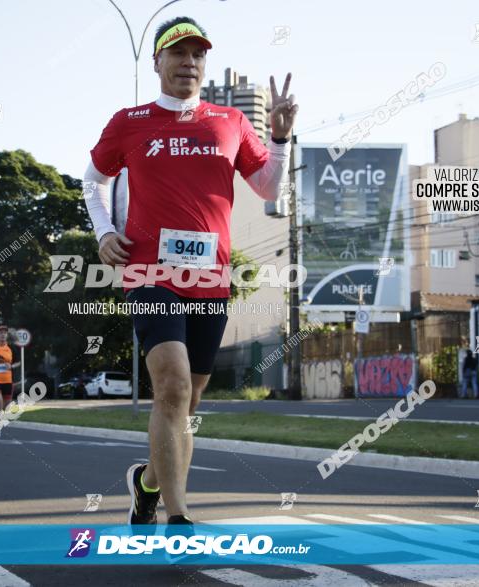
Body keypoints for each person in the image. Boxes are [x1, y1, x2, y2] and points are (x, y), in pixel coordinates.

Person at [84, 16, 297, 527]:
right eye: (178, 53)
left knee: (189, 400)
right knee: (173, 387)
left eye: (198, 54)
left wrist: (281, 140)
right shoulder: (130, 121)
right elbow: (93, 179)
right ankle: (178, 513)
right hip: (149, 270)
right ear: (157, 61)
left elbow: (268, 189)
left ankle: (147, 483)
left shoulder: (230, 121)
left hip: (210, 276)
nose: (189, 62)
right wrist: (103, 232)